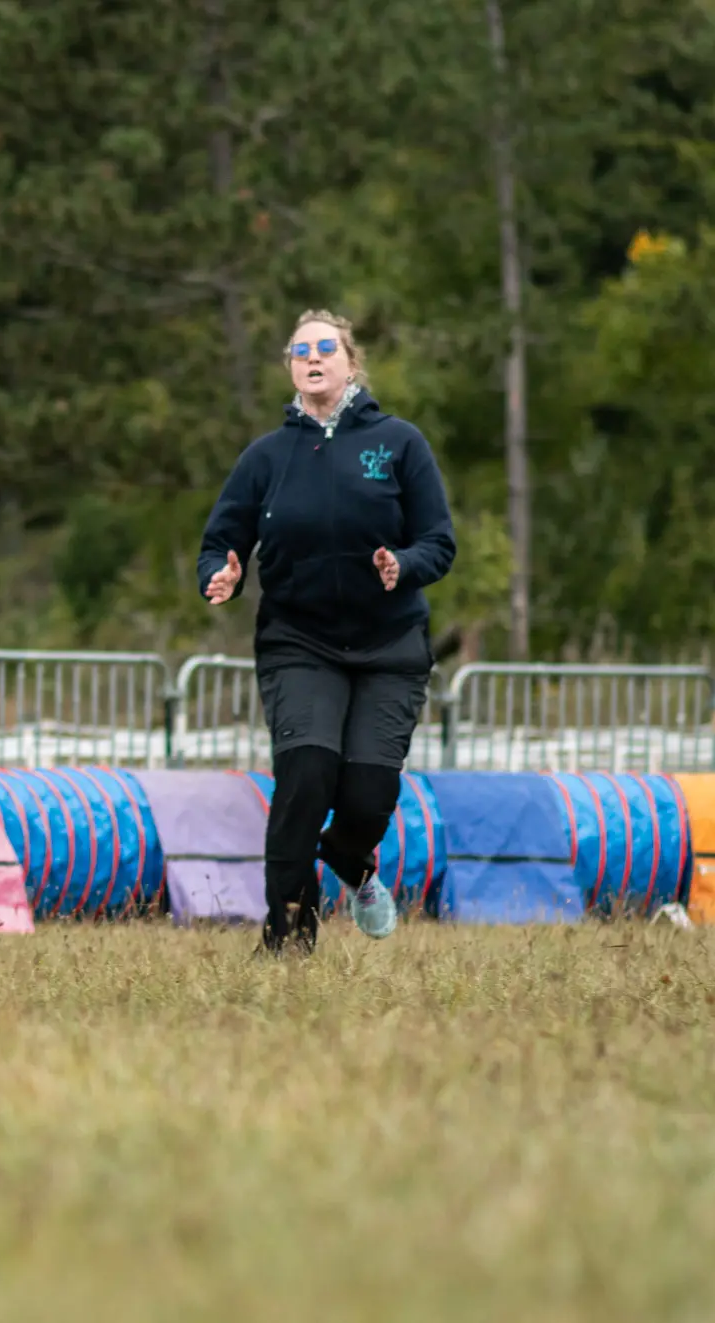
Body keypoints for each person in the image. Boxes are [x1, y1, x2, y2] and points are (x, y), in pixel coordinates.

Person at [196, 310, 456, 955]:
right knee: (305, 777)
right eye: (300, 349)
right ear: (291, 365)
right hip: (299, 641)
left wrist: (404, 566)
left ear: (349, 362)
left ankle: (355, 863)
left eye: (325, 348)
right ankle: (288, 937)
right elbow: (222, 539)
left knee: (367, 796)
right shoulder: (266, 456)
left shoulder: (399, 443)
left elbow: (439, 541)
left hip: (389, 645)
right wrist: (220, 571)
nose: (312, 358)